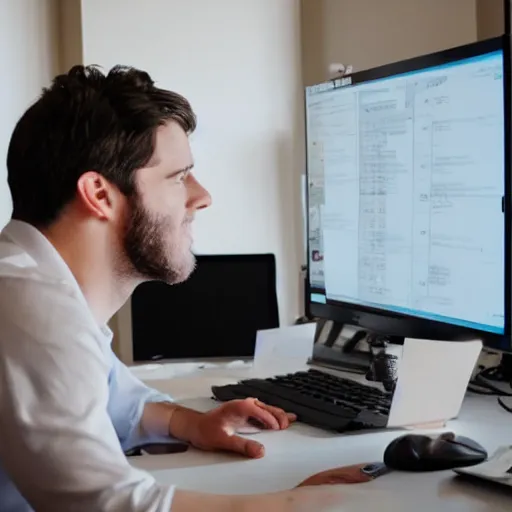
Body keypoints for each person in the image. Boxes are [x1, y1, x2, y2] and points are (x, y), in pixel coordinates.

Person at [0, 65, 351, 511]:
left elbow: (113, 400)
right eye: (178, 176)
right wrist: (293, 504)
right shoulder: (29, 306)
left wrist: (190, 423)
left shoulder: (34, 283)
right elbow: (101, 504)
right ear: (100, 194)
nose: (201, 196)